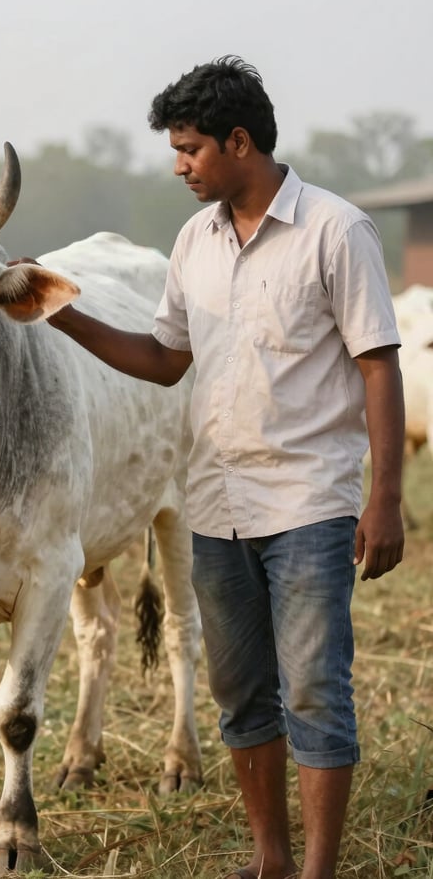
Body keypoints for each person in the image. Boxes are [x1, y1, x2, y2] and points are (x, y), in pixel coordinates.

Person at [25, 56, 406, 879]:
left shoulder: (337, 231)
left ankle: (319, 871)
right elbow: (166, 360)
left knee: (313, 691)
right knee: (240, 696)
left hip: (308, 501)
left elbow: (380, 365)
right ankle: (270, 862)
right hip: (215, 503)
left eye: (191, 148)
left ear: (241, 142)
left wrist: (386, 500)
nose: (179, 166)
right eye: (176, 149)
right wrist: (62, 316)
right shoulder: (194, 242)